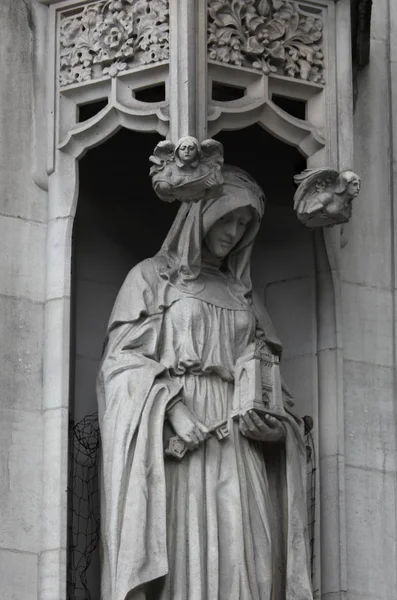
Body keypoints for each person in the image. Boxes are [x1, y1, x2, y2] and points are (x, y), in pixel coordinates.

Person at [97, 166, 313, 600]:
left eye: (244, 225)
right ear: (200, 215)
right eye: (227, 218)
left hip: (240, 442)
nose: (234, 232)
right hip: (181, 441)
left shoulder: (243, 298)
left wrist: (277, 430)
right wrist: (172, 408)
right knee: (184, 553)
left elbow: (274, 385)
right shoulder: (153, 278)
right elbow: (119, 363)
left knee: (244, 556)